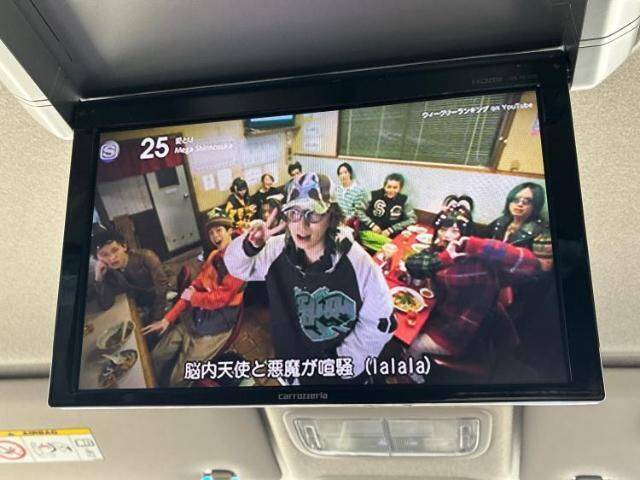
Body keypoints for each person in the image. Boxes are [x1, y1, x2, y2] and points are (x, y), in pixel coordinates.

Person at [224, 172, 395, 384]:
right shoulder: (276, 250)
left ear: (331, 216)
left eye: (313, 214)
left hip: (335, 376)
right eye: (294, 213)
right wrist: (250, 244)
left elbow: (381, 322)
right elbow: (236, 267)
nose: (301, 225)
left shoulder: (357, 262)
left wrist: (338, 365)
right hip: (290, 366)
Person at [404, 205, 542, 367]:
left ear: (464, 234)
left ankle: (411, 375)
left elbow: (532, 264)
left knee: (414, 344)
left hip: (463, 331)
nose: (446, 235)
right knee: (410, 328)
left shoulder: (480, 262)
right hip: (442, 316)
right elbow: (412, 264)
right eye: (443, 229)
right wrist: (445, 257)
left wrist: (476, 245)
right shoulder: (443, 251)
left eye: (454, 231)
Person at [141, 210, 245, 387]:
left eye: (219, 230)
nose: (215, 236)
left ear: (229, 230)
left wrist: (194, 297)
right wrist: (167, 319)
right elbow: (194, 286)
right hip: (196, 317)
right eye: (211, 233)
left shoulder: (240, 261)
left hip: (216, 325)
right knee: (155, 357)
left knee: (177, 379)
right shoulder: (213, 256)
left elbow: (220, 299)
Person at [90, 228, 170, 323]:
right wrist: (98, 277)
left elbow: (162, 288)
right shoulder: (108, 271)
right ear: (97, 258)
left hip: (164, 300)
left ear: (124, 246)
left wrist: (155, 318)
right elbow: (107, 304)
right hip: (141, 306)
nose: (112, 258)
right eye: (104, 255)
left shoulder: (145, 257)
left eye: (115, 250)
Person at [485, 182, 548, 251]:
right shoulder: (500, 221)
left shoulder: (540, 231)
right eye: (516, 200)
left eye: (526, 201)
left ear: (536, 205)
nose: (520, 204)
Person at [358, 173, 417, 237]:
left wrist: (392, 229)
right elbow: (358, 211)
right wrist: (371, 225)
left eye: (395, 188)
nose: (391, 190)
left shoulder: (404, 200)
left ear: (400, 188)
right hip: (370, 230)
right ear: (384, 186)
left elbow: (412, 219)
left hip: (392, 234)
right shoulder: (372, 195)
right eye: (389, 187)